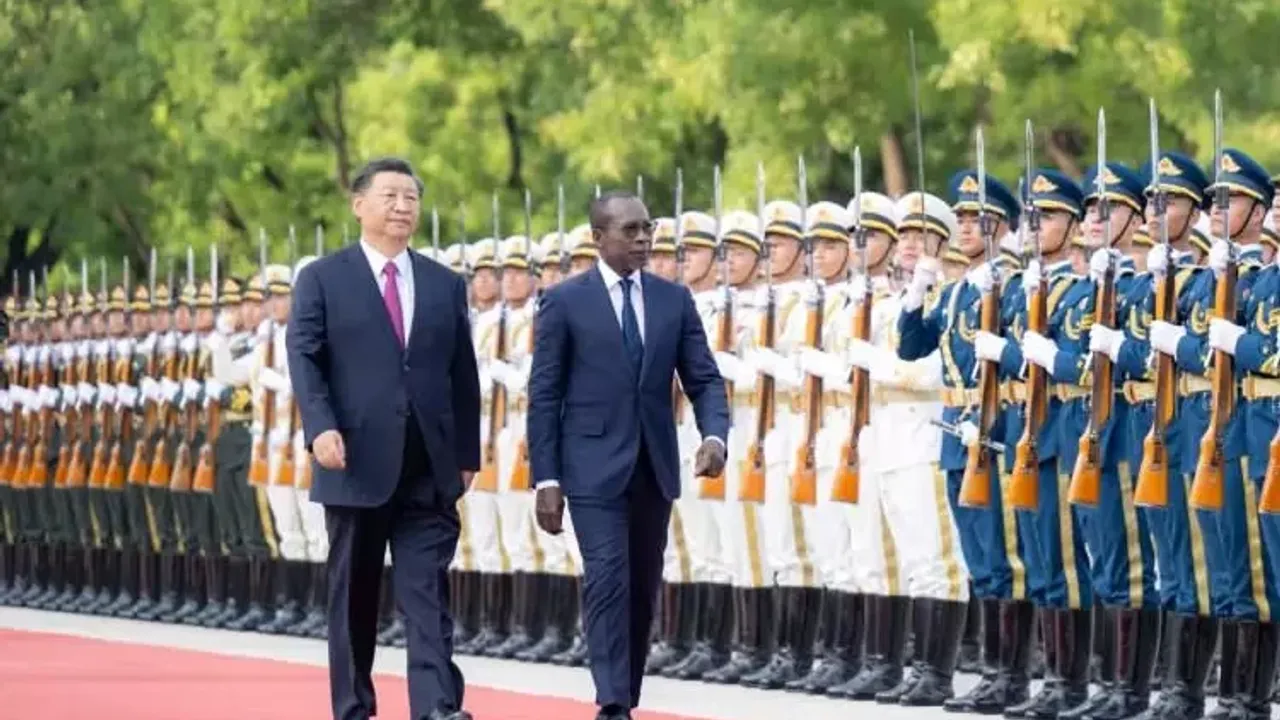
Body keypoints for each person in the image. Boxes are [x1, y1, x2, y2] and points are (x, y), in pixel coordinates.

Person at [287, 156, 481, 720]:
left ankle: (436, 707)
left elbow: (462, 373)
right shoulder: (323, 278)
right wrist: (319, 427)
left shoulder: (444, 284)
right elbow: (304, 358)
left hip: (428, 463)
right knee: (355, 595)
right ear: (359, 205)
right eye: (390, 196)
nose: (402, 207)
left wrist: (466, 452)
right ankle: (353, 706)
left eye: (411, 197)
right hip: (354, 460)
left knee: (427, 591)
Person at [527, 190, 730, 720]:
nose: (643, 239)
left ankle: (627, 691)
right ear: (599, 238)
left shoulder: (673, 300)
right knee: (607, 578)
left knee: (641, 586)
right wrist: (546, 478)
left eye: (648, 228)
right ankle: (612, 701)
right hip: (590, 468)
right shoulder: (565, 302)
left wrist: (714, 437)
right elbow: (544, 394)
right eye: (630, 230)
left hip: (653, 467)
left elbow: (704, 379)